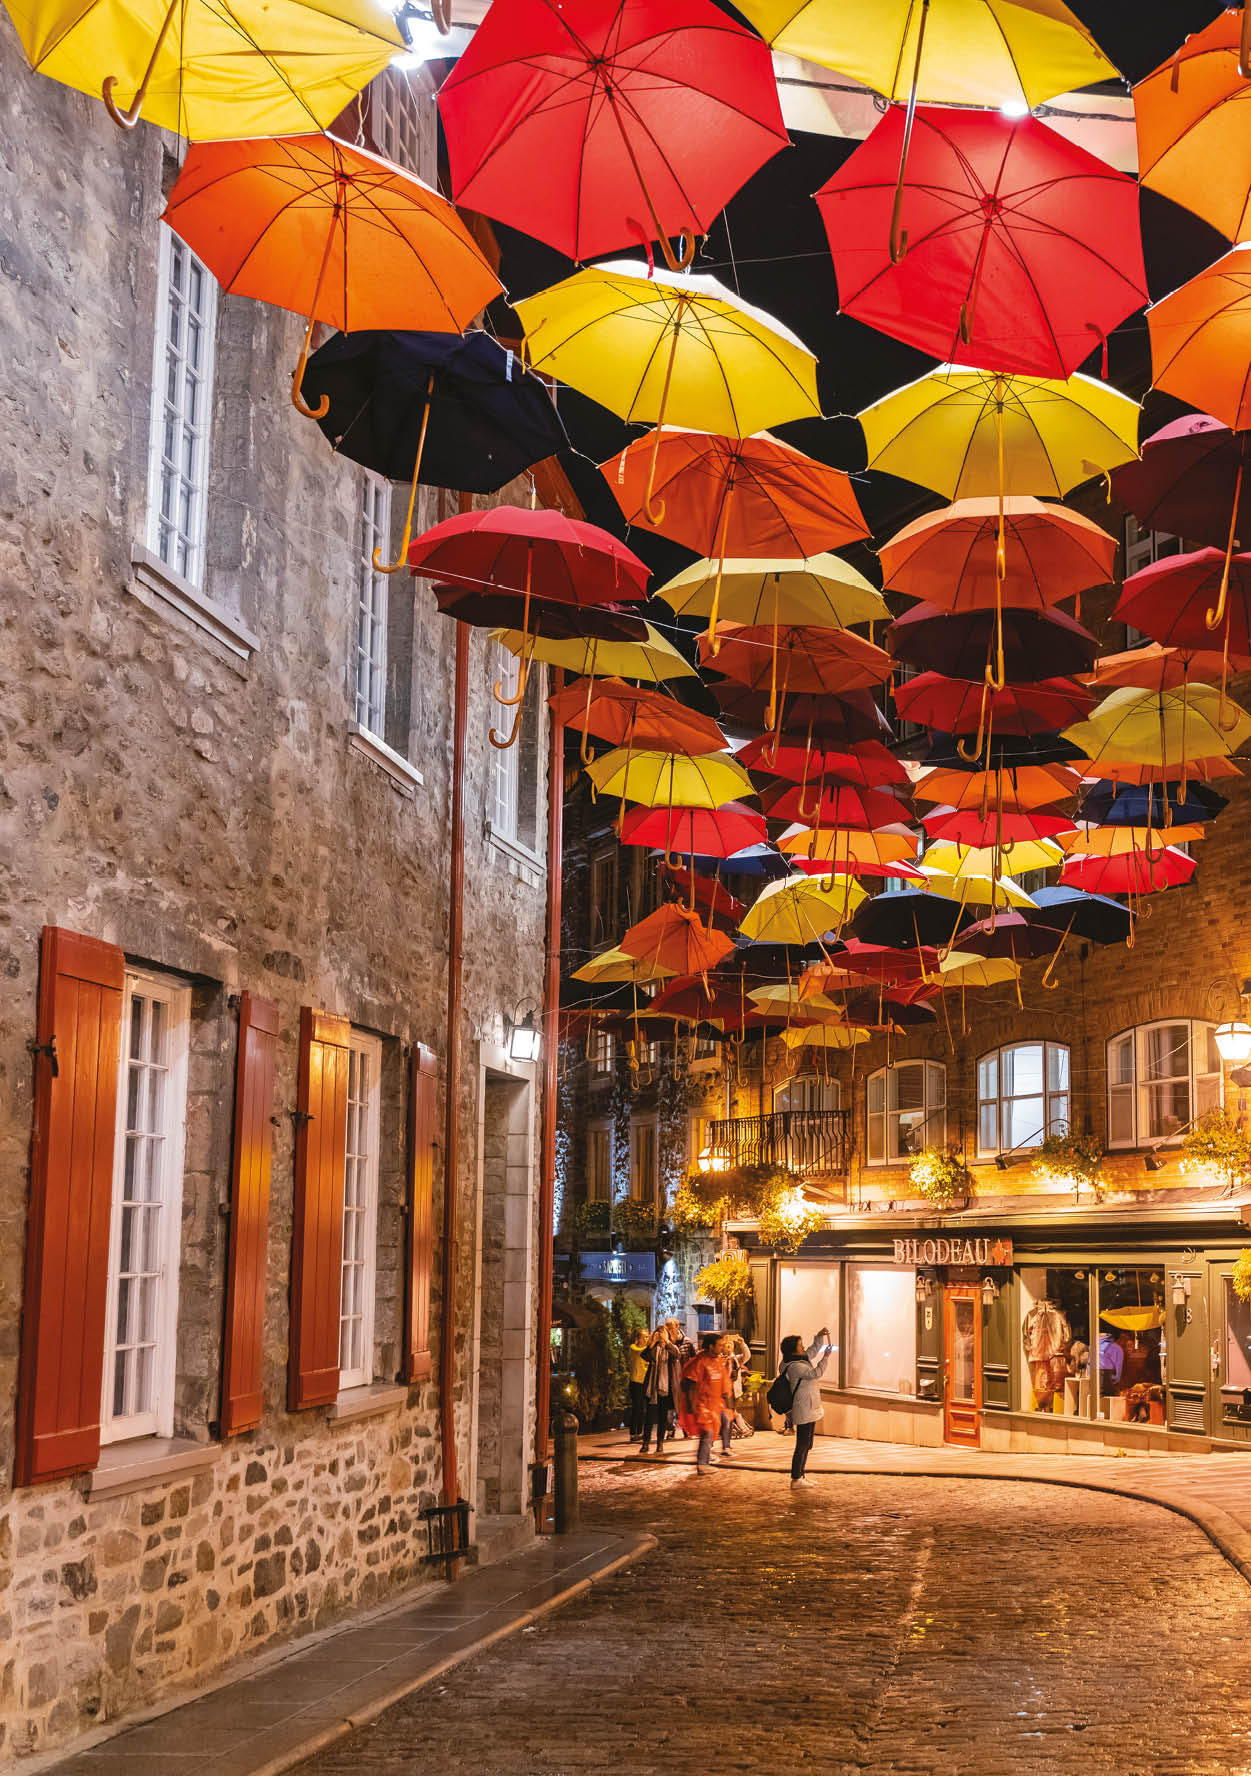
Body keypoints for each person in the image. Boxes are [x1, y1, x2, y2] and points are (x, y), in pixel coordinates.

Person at [779, 1328, 832, 1489]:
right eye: (800, 1345)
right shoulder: (794, 1366)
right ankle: (796, 1478)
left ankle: (801, 1475)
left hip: (809, 1407)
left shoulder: (798, 1359)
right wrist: (826, 1358)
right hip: (803, 1408)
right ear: (793, 1349)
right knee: (802, 1444)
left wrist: (819, 1337)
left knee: (807, 1443)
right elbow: (815, 1373)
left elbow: (811, 1351)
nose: (803, 1348)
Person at [682, 1333, 733, 1476]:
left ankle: (707, 1455)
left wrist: (727, 1403)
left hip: (716, 1405)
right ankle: (702, 1463)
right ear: (711, 1347)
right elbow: (689, 1383)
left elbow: (724, 1383)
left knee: (717, 1428)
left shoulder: (717, 1361)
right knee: (707, 1433)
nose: (722, 1347)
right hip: (702, 1405)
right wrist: (692, 1406)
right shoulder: (699, 1361)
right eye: (720, 1345)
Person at [639, 1327, 681, 1456]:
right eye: (659, 1333)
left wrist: (667, 1342)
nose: (661, 1335)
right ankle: (645, 1443)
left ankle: (660, 1444)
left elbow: (676, 1355)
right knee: (649, 1417)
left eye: (663, 1333)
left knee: (663, 1418)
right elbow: (644, 1355)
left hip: (665, 1388)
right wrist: (653, 1342)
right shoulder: (653, 1348)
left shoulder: (671, 1348)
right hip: (652, 1388)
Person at [665, 1319, 695, 1437]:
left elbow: (693, 1358)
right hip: (670, 1377)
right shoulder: (666, 1343)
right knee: (670, 1406)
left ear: (677, 1327)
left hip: (684, 1377)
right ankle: (670, 1430)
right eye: (667, 1328)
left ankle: (686, 1429)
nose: (669, 1330)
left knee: (684, 1405)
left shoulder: (687, 1342)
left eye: (671, 1328)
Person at [627, 1324, 652, 1441]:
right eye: (644, 1337)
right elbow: (640, 1352)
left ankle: (639, 1432)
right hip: (636, 1382)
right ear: (638, 1339)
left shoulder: (648, 1351)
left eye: (647, 1337)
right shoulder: (633, 1349)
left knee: (643, 1409)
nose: (646, 1339)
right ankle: (633, 1433)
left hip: (645, 1382)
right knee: (637, 1407)